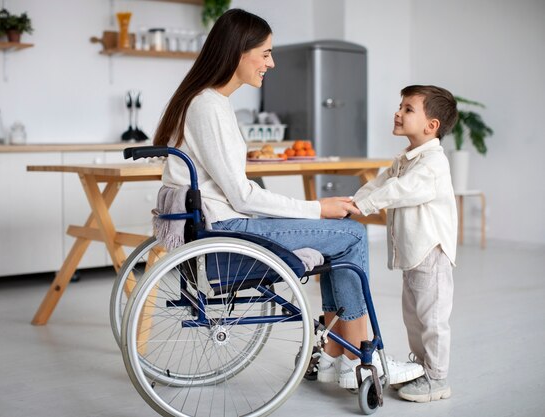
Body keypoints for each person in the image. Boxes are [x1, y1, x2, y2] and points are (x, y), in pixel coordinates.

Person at [153, 8, 422, 390]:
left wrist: (317, 213)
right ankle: (361, 355)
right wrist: (317, 208)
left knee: (340, 233)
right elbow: (243, 196)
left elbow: (235, 189)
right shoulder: (209, 105)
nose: (271, 62)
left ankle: (335, 353)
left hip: (220, 222)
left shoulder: (202, 101)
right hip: (232, 228)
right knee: (351, 234)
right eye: (264, 53)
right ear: (237, 52)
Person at [353, 85, 458, 402]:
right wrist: (351, 203)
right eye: (400, 106)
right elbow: (379, 183)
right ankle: (421, 368)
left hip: (431, 253)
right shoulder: (405, 159)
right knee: (413, 318)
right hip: (412, 255)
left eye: (408, 109)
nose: (398, 112)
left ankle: (437, 378)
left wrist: (364, 207)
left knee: (433, 320)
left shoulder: (433, 164)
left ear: (431, 125)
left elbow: (401, 190)